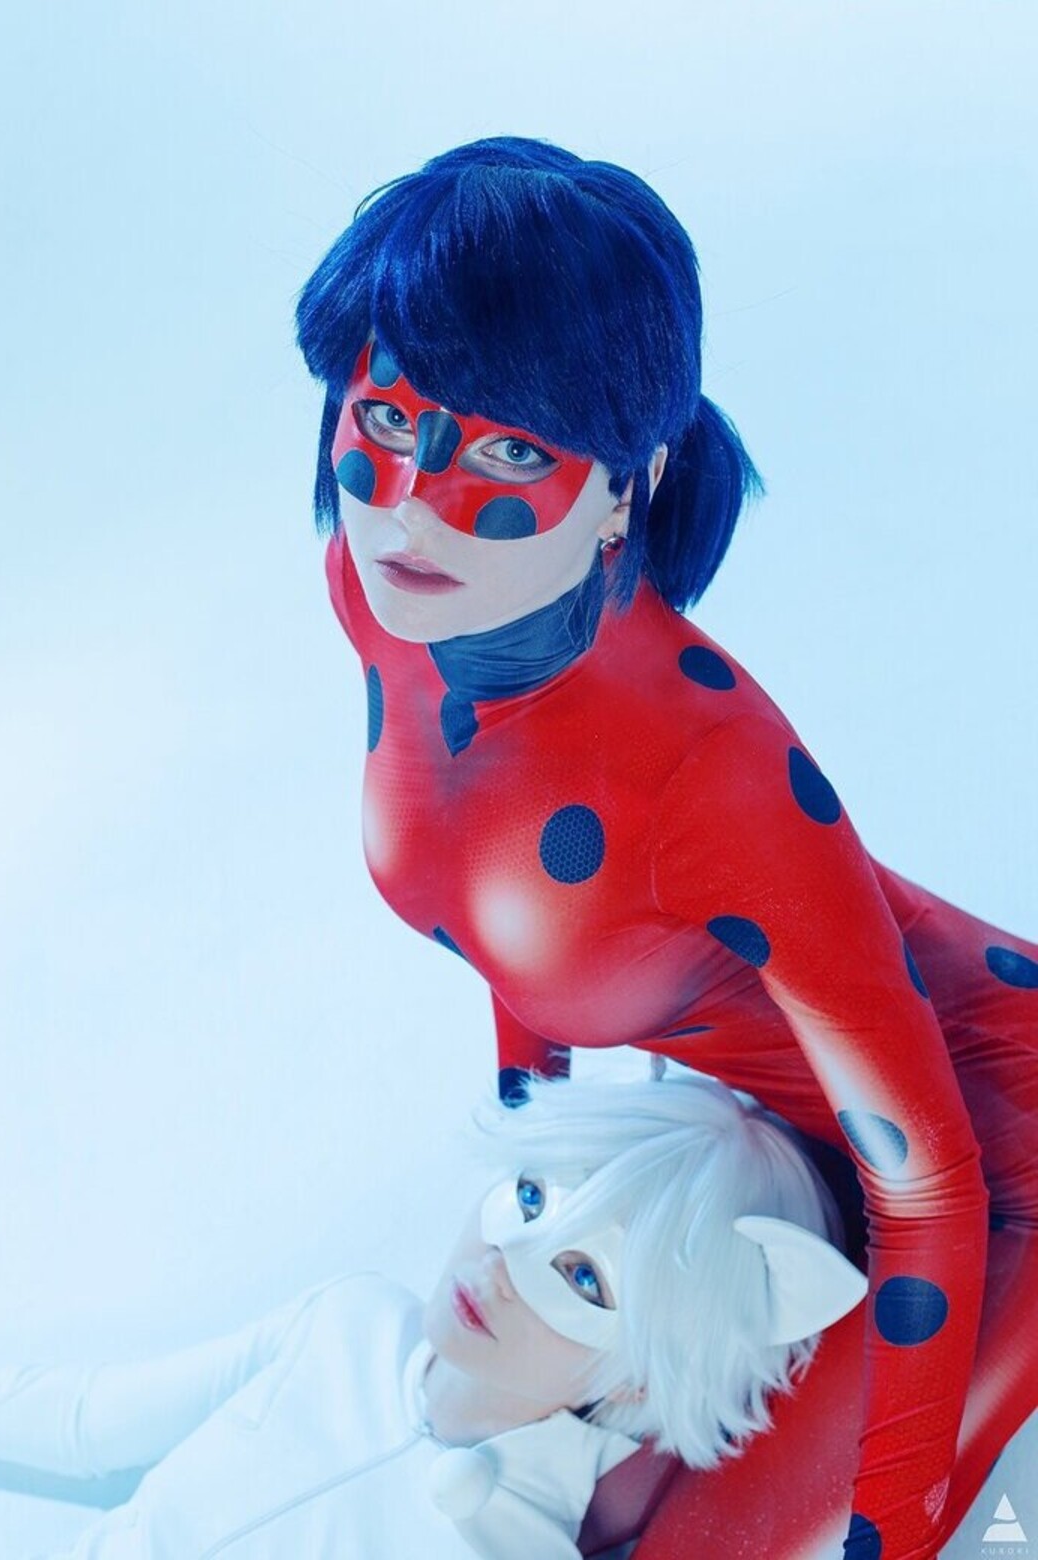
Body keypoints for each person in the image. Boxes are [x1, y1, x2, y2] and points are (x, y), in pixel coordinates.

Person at [293, 136, 1038, 1560]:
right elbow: (499, 891)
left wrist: (893, 1523)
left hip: (1001, 1177)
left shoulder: (712, 779)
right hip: (795, 1164)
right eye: (385, 416)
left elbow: (933, 1181)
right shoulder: (383, 591)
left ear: (625, 484)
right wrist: (530, 1189)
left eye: (510, 450)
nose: (411, 498)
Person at [0, 1073, 866, 1559]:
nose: (505, 1259)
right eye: (531, 1195)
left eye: (585, 1278)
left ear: (641, 1377)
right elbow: (88, 1421)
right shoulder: (346, 1322)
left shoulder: (513, 1545)